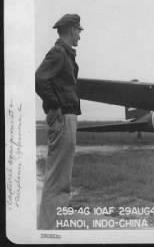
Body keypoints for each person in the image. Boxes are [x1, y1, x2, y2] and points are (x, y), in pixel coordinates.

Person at [35, 14, 83, 229]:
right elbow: (39, 78)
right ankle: (47, 228)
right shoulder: (58, 53)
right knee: (57, 179)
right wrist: (56, 106)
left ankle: (53, 225)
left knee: (61, 179)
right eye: (78, 32)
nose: (80, 36)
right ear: (71, 30)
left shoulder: (65, 54)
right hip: (63, 116)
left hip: (68, 116)